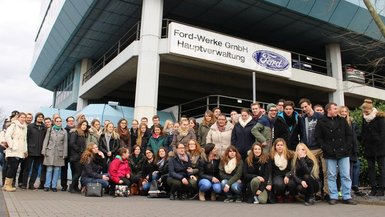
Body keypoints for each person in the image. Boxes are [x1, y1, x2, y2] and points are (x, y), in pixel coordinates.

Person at [315, 102, 356, 205]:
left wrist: (346, 147)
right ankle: (333, 196)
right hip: (329, 153)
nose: (337, 110)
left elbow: (349, 136)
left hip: (344, 152)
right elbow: (318, 137)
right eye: (335, 108)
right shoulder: (321, 122)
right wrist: (325, 148)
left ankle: (347, 196)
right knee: (331, 175)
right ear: (329, 110)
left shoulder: (342, 121)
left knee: (345, 175)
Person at [299, 98, 327, 199]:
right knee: (314, 171)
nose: (304, 109)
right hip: (310, 148)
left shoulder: (320, 116)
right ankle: (317, 192)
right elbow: (302, 132)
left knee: (325, 171)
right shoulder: (302, 118)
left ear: (310, 105)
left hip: (321, 147)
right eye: (302, 108)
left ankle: (326, 192)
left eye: (306, 106)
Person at [338, 106, 364, 196]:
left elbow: (356, 137)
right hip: (343, 150)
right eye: (342, 112)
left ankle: (351, 189)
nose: (344, 113)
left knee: (352, 169)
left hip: (352, 150)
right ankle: (346, 190)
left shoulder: (352, 122)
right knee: (346, 171)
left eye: (345, 111)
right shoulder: (338, 122)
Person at [361, 99, 385, 196]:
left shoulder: (380, 118)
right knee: (371, 168)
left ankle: (382, 188)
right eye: (364, 110)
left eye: (366, 110)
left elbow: (383, 133)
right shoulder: (364, 118)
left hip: (380, 147)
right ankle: (373, 188)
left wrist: (379, 141)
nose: (365, 112)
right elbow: (363, 132)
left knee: (382, 168)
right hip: (369, 147)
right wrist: (363, 141)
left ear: (371, 109)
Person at [41, 117, 68, 192]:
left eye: (60, 121)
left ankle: (54, 186)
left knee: (57, 170)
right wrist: (44, 151)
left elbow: (65, 143)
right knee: (49, 169)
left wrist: (65, 153)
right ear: (54, 122)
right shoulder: (50, 130)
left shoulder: (64, 131)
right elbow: (46, 140)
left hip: (59, 152)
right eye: (57, 121)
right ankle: (47, 186)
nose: (59, 122)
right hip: (50, 151)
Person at [3, 112, 27, 192]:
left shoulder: (24, 127)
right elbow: (7, 135)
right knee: (12, 167)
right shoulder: (13, 125)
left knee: (15, 168)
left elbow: (24, 140)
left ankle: (7, 185)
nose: (23, 119)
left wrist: (25, 150)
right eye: (21, 117)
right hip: (13, 150)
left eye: (24, 117)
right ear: (18, 118)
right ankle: (7, 185)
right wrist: (11, 145)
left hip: (20, 151)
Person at [22, 112, 46, 190]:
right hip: (30, 151)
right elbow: (26, 138)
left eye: (41, 117)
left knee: (35, 169)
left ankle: (31, 184)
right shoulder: (30, 126)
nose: (40, 118)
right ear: (36, 118)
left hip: (39, 152)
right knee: (27, 168)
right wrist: (26, 149)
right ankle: (24, 184)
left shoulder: (44, 127)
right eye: (38, 117)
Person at [269, 138, 296, 203]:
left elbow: (293, 168)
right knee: (279, 184)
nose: (280, 147)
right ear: (275, 146)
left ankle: (291, 196)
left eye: (281, 145)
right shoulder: (271, 156)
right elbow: (270, 170)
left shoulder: (290, 154)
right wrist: (269, 182)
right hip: (277, 175)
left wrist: (288, 175)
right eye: (278, 145)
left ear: (284, 146)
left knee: (292, 183)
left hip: (289, 174)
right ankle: (279, 196)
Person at [68, 120, 90, 193]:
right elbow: (72, 143)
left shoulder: (83, 134)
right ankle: (71, 187)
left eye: (85, 125)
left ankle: (75, 187)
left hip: (80, 156)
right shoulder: (75, 132)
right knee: (78, 173)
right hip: (75, 156)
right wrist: (80, 150)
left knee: (76, 173)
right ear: (80, 125)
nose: (84, 126)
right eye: (83, 124)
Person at [61, 116, 75, 191]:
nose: (71, 122)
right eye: (69, 121)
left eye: (72, 120)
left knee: (74, 170)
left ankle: (73, 186)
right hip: (65, 152)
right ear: (67, 122)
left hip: (74, 153)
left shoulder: (76, 130)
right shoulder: (64, 130)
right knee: (64, 170)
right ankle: (64, 185)